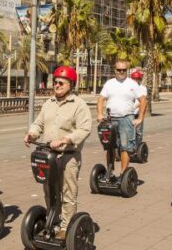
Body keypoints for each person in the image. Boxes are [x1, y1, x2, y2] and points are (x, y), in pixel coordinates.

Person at [24, 66, 92, 240]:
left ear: (71, 84)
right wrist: (31, 134)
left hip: (68, 155)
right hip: (49, 156)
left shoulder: (79, 105)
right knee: (49, 190)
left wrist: (65, 139)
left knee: (68, 191)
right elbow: (38, 124)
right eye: (55, 82)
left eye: (61, 82)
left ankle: (66, 227)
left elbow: (85, 129)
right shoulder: (49, 103)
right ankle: (53, 220)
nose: (57, 85)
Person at [96, 60, 146, 172]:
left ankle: (123, 174)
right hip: (111, 119)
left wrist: (140, 118)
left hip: (126, 118)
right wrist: (99, 114)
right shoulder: (109, 83)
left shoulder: (132, 83)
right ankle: (110, 172)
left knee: (125, 146)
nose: (121, 72)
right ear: (115, 70)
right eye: (119, 70)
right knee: (109, 147)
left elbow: (143, 100)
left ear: (127, 71)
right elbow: (100, 99)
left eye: (124, 70)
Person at [130, 68, 147, 139]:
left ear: (140, 79)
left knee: (138, 131)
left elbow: (143, 101)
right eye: (134, 79)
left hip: (138, 112)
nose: (136, 80)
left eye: (137, 79)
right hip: (129, 113)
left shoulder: (143, 88)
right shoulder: (129, 87)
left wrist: (136, 106)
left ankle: (138, 146)